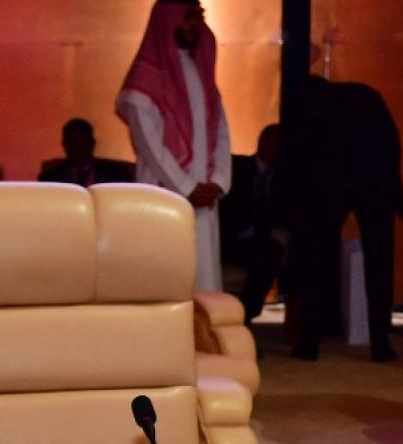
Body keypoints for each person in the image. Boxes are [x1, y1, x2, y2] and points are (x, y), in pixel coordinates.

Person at [277, 75, 403, 361]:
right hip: (374, 173)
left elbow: (292, 153)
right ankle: (380, 342)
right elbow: (391, 144)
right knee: (379, 257)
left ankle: (309, 340)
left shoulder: (304, 101)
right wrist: (392, 185)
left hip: (326, 179)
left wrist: (291, 203)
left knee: (317, 257)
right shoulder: (367, 98)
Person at [116, 0, 231, 292]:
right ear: (169, 19)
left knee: (205, 287)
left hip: (204, 199)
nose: (196, 24)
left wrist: (217, 182)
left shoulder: (203, 74)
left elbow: (221, 133)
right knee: (165, 283)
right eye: (188, 17)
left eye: (199, 16)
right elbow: (150, 147)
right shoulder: (143, 85)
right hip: (163, 194)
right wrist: (187, 188)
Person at [220, 123, 282, 323]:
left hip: (258, 242)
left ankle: (247, 315)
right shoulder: (236, 167)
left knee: (270, 250)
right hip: (227, 238)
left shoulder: (283, 180)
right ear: (264, 142)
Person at [38, 118, 132, 186]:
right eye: (73, 143)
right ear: (65, 145)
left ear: (92, 144)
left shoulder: (117, 174)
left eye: (82, 143)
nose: (78, 149)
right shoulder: (50, 178)